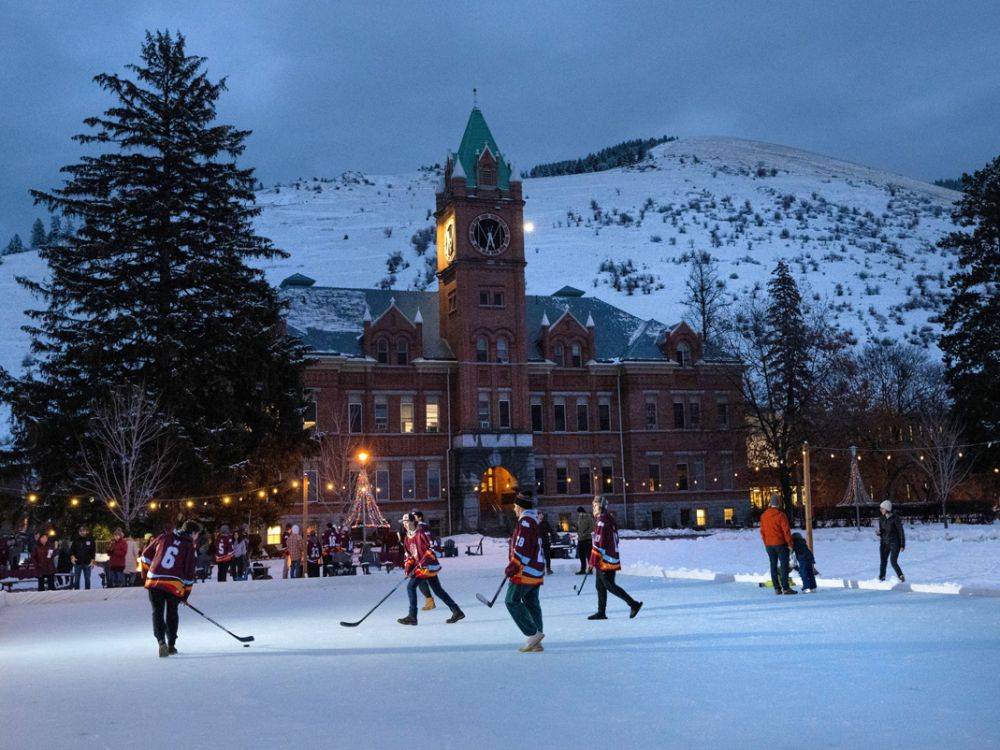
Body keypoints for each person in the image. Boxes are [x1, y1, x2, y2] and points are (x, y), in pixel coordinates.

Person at [141, 520, 200, 658]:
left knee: (157, 612)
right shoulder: (189, 545)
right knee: (172, 613)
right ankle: (171, 645)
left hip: (154, 580)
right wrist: (185, 595)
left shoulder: (164, 537)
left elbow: (145, 555)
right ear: (192, 533)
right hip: (173, 583)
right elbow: (189, 572)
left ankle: (161, 642)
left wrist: (147, 574)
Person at [397, 512, 464, 626]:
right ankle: (456, 611)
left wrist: (422, 562)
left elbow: (433, 549)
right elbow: (409, 555)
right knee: (438, 590)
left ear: (413, 521)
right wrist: (408, 568)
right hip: (421, 567)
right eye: (404, 522)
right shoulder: (407, 538)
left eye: (407, 522)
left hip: (428, 566)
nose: (405, 524)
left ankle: (412, 616)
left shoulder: (422, 533)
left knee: (411, 587)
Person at [588, 495, 642, 619]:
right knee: (600, 586)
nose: (593, 508)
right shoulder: (609, 519)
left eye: (595, 505)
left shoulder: (601, 522)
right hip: (610, 557)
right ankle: (601, 612)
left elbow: (598, 544)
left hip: (605, 559)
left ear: (600, 507)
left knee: (609, 585)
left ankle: (633, 604)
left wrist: (592, 562)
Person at [504, 491, 546, 652]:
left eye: (515, 506)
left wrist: (514, 564)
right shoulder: (531, 521)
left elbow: (522, 546)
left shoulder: (526, 522)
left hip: (525, 571)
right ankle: (537, 640)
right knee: (531, 603)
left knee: (511, 600)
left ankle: (533, 633)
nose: (514, 509)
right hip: (536, 569)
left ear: (520, 506)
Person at [760, 494, 796, 595]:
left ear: (770, 503)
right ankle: (785, 587)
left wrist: (766, 543)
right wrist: (790, 544)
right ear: (778, 503)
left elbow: (762, 532)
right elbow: (786, 531)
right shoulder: (781, 515)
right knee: (784, 565)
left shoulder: (763, 516)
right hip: (780, 544)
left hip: (769, 545)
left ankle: (777, 588)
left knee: (773, 565)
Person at [412, 509, 436, 609]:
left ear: (420, 517)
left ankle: (429, 601)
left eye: (414, 516)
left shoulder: (422, 527)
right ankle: (430, 601)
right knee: (433, 584)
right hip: (423, 559)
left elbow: (429, 542)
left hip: (425, 559)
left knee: (420, 581)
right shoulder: (417, 527)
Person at [877, 500, 906, 582]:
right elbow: (882, 530)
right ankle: (881, 578)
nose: (880, 510)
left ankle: (901, 576)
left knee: (893, 561)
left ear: (886, 508)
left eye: (882, 508)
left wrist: (902, 545)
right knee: (883, 561)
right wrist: (879, 532)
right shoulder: (881, 518)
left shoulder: (895, 518)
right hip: (884, 543)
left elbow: (900, 531)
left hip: (894, 543)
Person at [70, 525, 97, 590]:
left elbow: (93, 551)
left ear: (86, 531)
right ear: (79, 532)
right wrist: (72, 557)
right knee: (76, 580)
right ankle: (76, 592)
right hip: (78, 563)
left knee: (87, 579)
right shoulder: (75, 540)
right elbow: (71, 550)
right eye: (81, 531)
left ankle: (87, 592)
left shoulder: (90, 540)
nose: (82, 532)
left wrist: (93, 560)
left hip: (87, 563)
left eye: (83, 531)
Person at [575, 505, 593, 575]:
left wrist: (585, 533)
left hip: (587, 539)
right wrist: (576, 528)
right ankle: (583, 569)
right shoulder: (579, 518)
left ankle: (590, 569)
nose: (579, 514)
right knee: (581, 555)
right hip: (580, 539)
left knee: (589, 555)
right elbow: (579, 527)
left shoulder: (588, 518)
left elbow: (591, 528)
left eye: (580, 512)